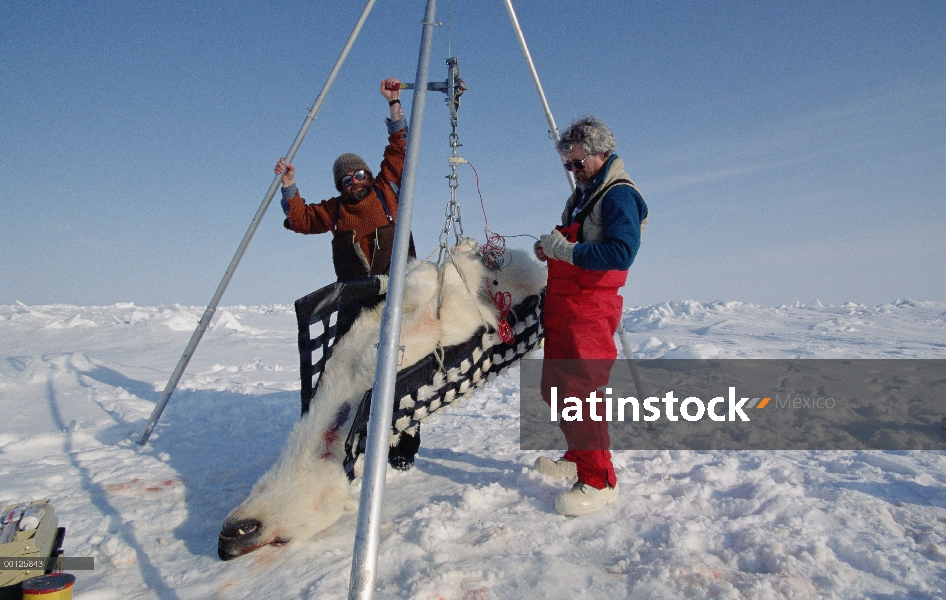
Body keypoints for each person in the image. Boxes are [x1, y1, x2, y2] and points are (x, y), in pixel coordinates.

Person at [275, 77, 420, 471]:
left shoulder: (389, 191)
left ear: (369, 175)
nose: (353, 182)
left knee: (402, 367)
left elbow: (401, 147)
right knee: (346, 367)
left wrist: (393, 105)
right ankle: (341, 435)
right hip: (358, 300)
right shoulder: (337, 210)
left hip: (399, 295)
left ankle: (404, 440)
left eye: (358, 175)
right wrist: (289, 187)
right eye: (345, 179)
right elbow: (302, 219)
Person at [533, 116, 648, 516]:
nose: (574, 170)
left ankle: (600, 480)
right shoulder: (584, 194)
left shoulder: (619, 196)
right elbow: (574, 241)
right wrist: (549, 247)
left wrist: (568, 252)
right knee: (555, 387)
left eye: (578, 162)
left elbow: (621, 252)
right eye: (568, 164)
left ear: (601, 152)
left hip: (590, 308)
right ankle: (578, 455)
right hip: (565, 305)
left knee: (580, 394)